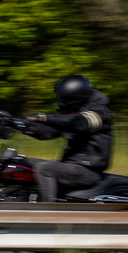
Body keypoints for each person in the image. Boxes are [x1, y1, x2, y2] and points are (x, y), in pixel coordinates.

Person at [14, 74, 113, 202]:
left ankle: (50, 213)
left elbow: (78, 123)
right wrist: (18, 124)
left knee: (44, 169)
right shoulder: (73, 113)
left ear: (74, 98)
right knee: (18, 161)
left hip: (88, 171)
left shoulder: (99, 113)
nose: (60, 102)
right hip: (69, 166)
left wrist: (43, 117)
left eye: (64, 99)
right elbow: (48, 132)